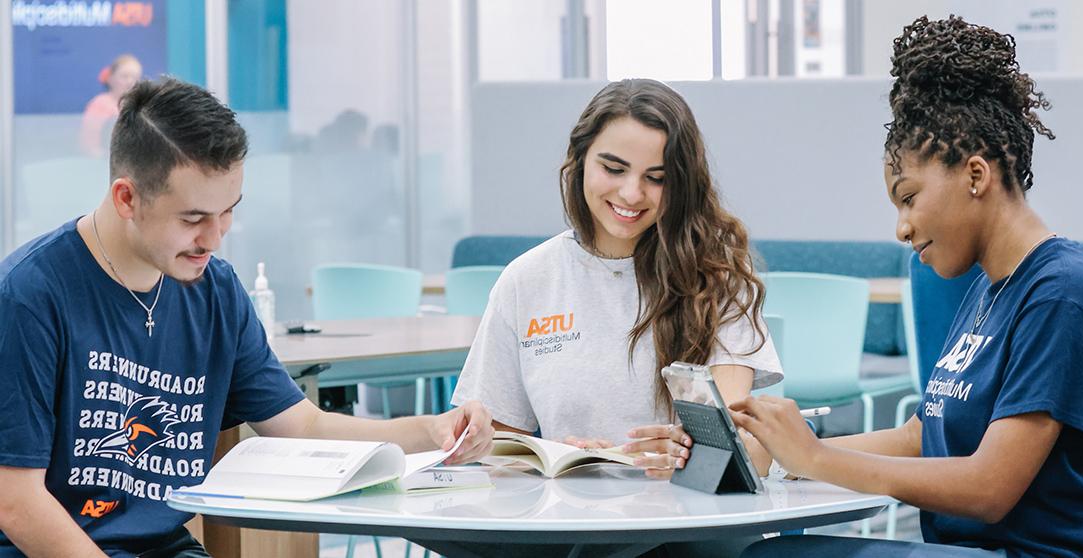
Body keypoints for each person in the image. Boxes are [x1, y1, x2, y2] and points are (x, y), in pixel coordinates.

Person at [0, 77, 495, 557]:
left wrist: (432, 430)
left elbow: (303, 427)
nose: (215, 239)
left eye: (229, 212)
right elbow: (16, 502)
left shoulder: (214, 291)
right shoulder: (31, 295)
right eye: (193, 219)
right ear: (127, 198)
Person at [732, 16, 1083, 558]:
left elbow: (988, 489)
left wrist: (815, 461)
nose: (901, 227)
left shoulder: (1064, 294)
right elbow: (922, 435)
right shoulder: (989, 290)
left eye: (908, 197)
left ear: (976, 175)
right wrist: (781, 449)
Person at [445, 79, 782, 556]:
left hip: (690, 523)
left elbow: (742, 446)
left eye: (657, 177)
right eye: (614, 167)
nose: (632, 192)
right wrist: (562, 459)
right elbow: (500, 450)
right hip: (571, 521)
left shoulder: (715, 276)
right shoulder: (528, 278)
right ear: (580, 159)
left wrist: (683, 457)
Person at [80, 54, 143, 156]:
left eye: (135, 77)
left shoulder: (142, 105)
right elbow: (89, 145)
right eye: (124, 76)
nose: (130, 82)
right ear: (111, 78)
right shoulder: (99, 104)